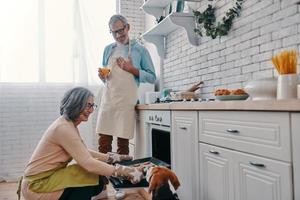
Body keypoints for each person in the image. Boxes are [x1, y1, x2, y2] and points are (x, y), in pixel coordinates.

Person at [19, 87, 144, 200]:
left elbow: (83, 151)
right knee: (88, 171)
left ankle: (98, 194)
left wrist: (111, 157)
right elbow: (88, 163)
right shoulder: (63, 128)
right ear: (75, 104)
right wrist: (127, 172)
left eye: (92, 106)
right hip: (37, 185)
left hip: (43, 179)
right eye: (87, 105)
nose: (91, 110)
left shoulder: (68, 124)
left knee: (93, 173)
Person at [97, 14, 156, 155]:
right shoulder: (107, 50)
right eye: (114, 32)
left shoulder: (140, 50)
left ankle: (121, 176)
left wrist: (132, 69)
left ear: (127, 27)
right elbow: (108, 77)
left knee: (122, 147)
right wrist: (102, 77)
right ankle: (103, 176)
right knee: (103, 144)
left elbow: (152, 77)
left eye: (121, 30)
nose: (118, 35)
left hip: (125, 103)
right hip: (108, 101)